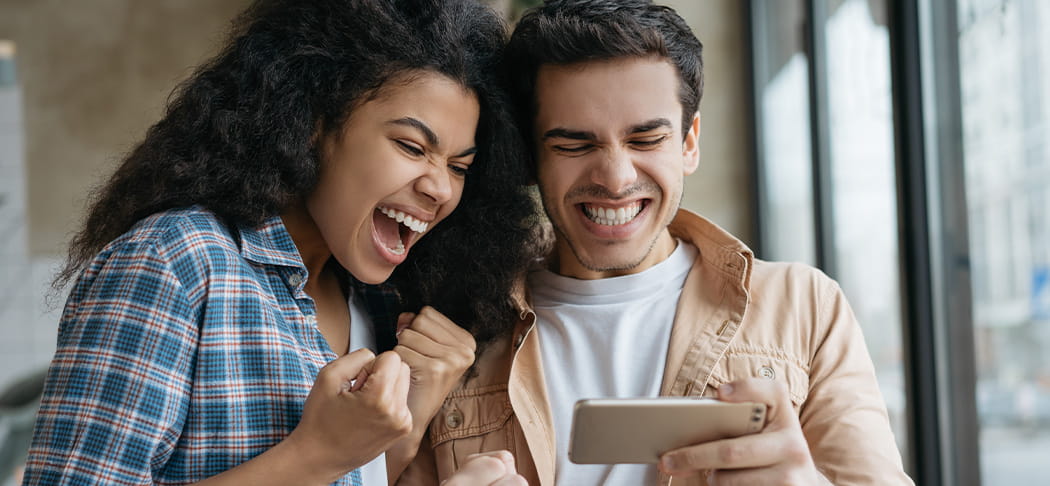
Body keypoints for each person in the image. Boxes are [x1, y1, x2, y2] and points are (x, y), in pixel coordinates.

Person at [399, 1, 914, 485]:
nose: (616, 178)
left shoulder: (803, 307)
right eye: (574, 144)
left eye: (646, 139)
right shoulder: (456, 327)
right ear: (531, 157)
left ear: (689, 143)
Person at [21, 0, 534, 485]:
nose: (440, 187)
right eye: (411, 146)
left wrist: (410, 419)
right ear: (312, 124)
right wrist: (315, 453)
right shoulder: (177, 261)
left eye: (460, 167)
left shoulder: (378, 303)